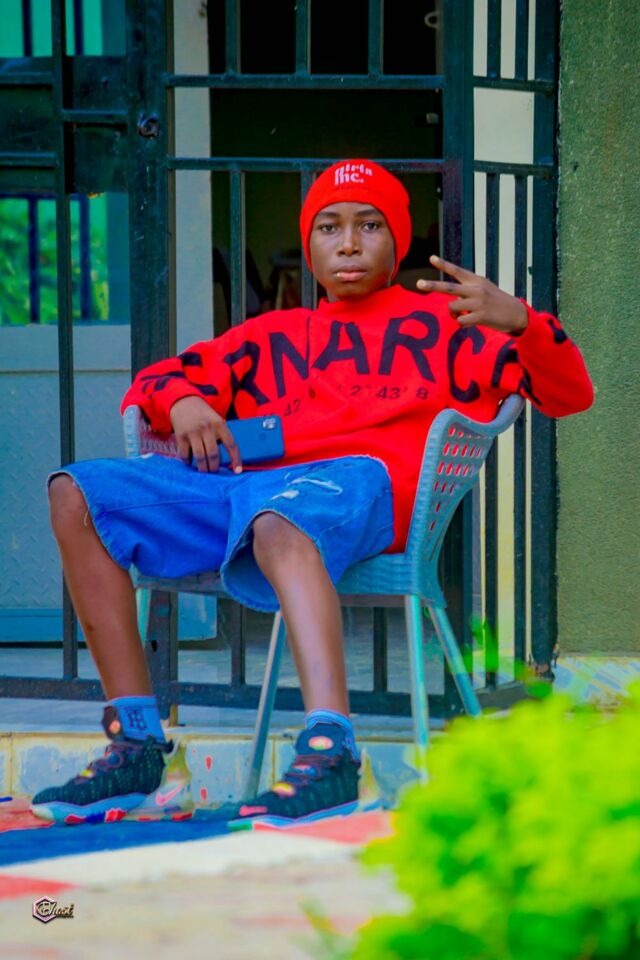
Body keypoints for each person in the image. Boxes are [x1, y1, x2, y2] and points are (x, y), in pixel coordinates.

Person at [31, 160, 593, 826]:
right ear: (310, 244)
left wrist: (521, 321)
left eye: (369, 225)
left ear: (397, 240)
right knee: (76, 493)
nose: (348, 243)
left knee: (280, 519)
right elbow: (159, 380)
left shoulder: (448, 327)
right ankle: (137, 745)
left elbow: (569, 394)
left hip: (361, 484)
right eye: (329, 227)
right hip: (250, 489)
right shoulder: (270, 335)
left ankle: (333, 755)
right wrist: (182, 401)